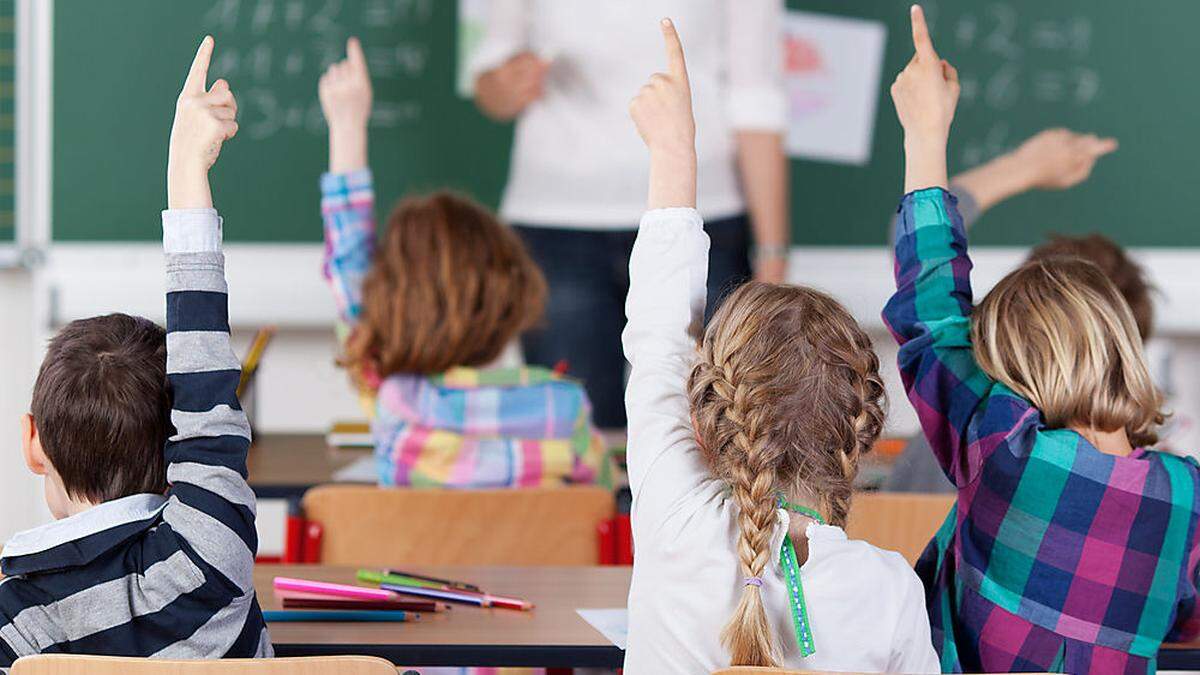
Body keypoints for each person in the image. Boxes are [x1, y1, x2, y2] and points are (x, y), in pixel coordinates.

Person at [884, 7, 1200, 671]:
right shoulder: (1184, 495)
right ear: (1121, 344)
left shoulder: (1005, 450)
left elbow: (932, 316)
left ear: (1011, 379)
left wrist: (926, 134)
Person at [621, 20, 938, 673]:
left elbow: (659, 336)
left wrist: (675, 154)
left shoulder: (672, 520)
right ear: (859, 430)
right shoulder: (891, 592)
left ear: (710, 411)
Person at [0, 37, 271, 663]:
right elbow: (204, 379)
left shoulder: (17, 622)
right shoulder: (212, 556)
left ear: (32, 443)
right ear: (176, 441)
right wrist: (185, 172)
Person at [470, 0, 791, 430]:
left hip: (704, 217)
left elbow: (756, 98)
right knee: (575, 446)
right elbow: (491, 76)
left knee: (712, 436)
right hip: (558, 225)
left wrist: (772, 258)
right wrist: (509, 82)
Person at [318, 38, 603, 489]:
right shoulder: (563, 407)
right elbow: (598, 513)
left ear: (388, 300)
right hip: (537, 563)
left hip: (412, 564)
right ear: (508, 299)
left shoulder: (392, 398)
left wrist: (347, 125)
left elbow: (349, 266)